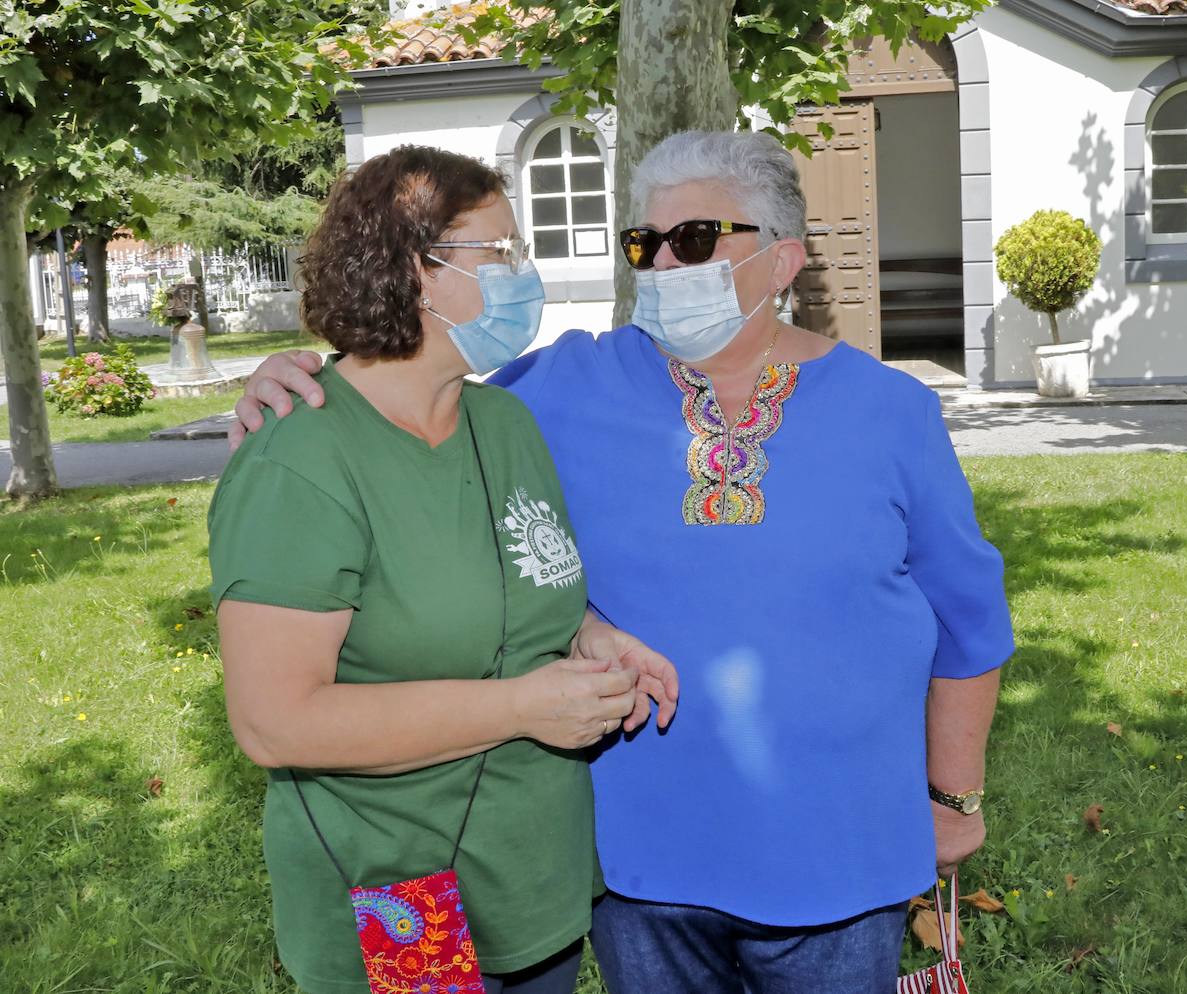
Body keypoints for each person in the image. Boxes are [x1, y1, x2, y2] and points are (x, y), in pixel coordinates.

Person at [233, 130, 1014, 994]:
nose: (666, 266)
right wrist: (296, 378)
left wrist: (954, 799)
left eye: (696, 241)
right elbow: (390, 391)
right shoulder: (557, 391)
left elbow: (968, 620)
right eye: (647, 244)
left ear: (784, 260)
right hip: (586, 867)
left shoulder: (890, 410)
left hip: (813, 854)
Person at [209, 144, 677, 994]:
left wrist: (599, 640)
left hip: (531, 884)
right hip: (397, 897)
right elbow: (276, 724)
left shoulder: (506, 425)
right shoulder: (300, 462)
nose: (520, 274)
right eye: (499, 252)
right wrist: (525, 707)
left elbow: (526, 590)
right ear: (417, 272)